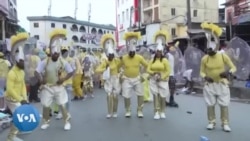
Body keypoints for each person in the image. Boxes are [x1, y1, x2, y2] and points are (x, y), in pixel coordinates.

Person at [200, 22, 236, 132]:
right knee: (210, 104)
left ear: (215, 47)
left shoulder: (222, 56)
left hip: (221, 83)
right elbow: (201, 72)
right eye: (208, 51)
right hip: (210, 85)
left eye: (211, 50)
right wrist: (205, 77)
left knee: (224, 104)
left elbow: (233, 67)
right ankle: (211, 122)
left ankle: (225, 123)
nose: (209, 52)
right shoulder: (204, 59)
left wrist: (227, 73)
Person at [35, 31, 74, 130]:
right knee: (45, 105)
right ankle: (46, 121)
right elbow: (37, 72)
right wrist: (40, 80)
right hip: (48, 87)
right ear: (51, 52)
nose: (56, 55)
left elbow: (71, 71)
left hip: (59, 87)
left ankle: (66, 122)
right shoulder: (45, 61)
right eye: (54, 53)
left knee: (62, 104)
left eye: (57, 53)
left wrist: (63, 79)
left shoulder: (63, 61)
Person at [5, 33, 29, 141]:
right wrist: (20, 99)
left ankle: (18, 129)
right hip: (10, 98)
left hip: (18, 98)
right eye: (21, 61)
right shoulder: (12, 73)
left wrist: (24, 98)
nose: (23, 63)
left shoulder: (21, 72)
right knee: (19, 114)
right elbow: (10, 89)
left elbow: (23, 85)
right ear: (16, 61)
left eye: (24, 61)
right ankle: (11, 137)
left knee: (21, 114)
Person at [120, 32, 148, 118]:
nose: (131, 54)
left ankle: (140, 110)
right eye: (130, 53)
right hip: (127, 79)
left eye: (133, 52)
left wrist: (143, 75)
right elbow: (119, 66)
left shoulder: (139, 57)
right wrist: (122, 74)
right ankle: (128, 110)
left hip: (137, 78)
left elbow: (146, 65)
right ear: (128, 52)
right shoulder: (124, 58)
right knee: (126, 95)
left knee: (140, 94)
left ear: (135, 51)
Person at [148, 31, 171, 119]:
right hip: (154, 79)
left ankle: (162, 111)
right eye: (157, 51)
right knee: (155, 95)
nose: (158, 53)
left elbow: (168, 70)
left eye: (160, 52)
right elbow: (148, 69)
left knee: (163, 96)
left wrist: (162, 76)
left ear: (162, 52)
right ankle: (156, 112)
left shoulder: (165, 60)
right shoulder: (152, 60)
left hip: (163, 80)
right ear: (156, 51)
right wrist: (153, 73)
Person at [96, 44, 121, 118]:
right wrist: (105, 69)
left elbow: (121, 64)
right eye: (110, 55)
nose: (111, 56)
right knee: (109, 95)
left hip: (115, 79)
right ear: (107, 55)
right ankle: (109, 112)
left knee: (115, 95)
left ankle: (115, 112)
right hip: (109, 80)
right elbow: (97, 70)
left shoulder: (116, 61)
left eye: (112, 55)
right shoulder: (105, 62)